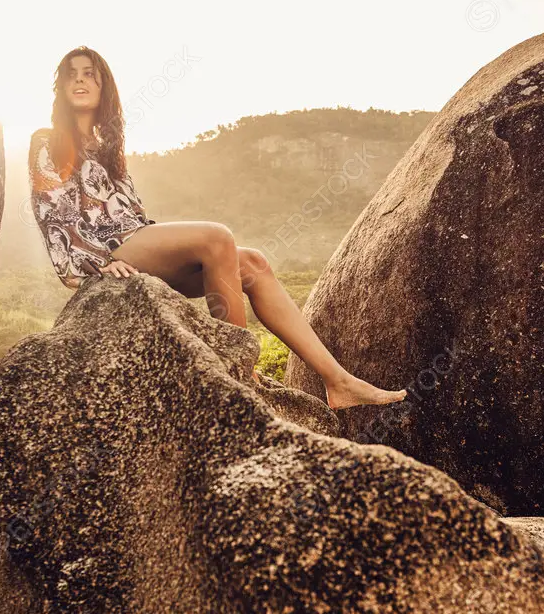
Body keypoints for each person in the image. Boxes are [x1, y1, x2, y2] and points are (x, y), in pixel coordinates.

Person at [29, 46, 407, 410]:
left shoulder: (108, 146)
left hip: (139, 245)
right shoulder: (46, 141)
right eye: (71, 76)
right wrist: (96, 262)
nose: (80, 81)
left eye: (89, 75)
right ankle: (240, 375)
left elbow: (133, 212)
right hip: (112, 250)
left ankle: (337, 380)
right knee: (217, 236)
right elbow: (51, 213)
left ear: (103, 86)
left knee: (253, 264)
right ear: (61, 88)